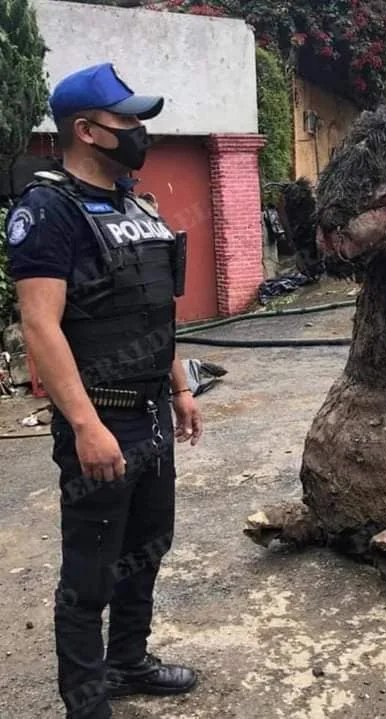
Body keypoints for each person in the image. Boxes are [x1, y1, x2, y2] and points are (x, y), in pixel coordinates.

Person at [5, 63, 203, 719]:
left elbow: (154, 309)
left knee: (148, 547)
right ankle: (86, 701)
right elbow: (40, 324)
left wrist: (180, 385)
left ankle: (128, 662)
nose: (140, 132)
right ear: (87, 130)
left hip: (151, 414)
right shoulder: (47, 211)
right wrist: (87, 425)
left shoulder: (134, 204)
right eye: (128, 122)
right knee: (90, 570)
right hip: (103, 419)